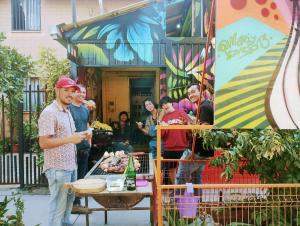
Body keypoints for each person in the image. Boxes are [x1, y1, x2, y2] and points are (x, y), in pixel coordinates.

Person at [38, 77, 89, 226]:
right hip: (58, 168)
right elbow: (43, 142)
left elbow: (69, 137)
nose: (70, 94)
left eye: (72, 91)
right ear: (57, 90)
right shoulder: (49, 112)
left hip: (71, 166)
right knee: (58, 208)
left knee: (67, 207)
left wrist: (83, 135)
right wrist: (70, 139)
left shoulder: (66, 111)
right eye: (66, 90)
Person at [176, 83, 214, 196]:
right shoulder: (201, 107)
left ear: (201, 92)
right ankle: (198, 205)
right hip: (202, 150)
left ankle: (176, 203)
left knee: (181, 176)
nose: (190, 95)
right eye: (188, 93)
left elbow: (204, 130)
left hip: (196, 150)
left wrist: (189, 125)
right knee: (196, 178)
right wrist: (189, 123)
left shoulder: (205, 107)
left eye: (193, 92)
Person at [69, 84, 92, 213]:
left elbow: (87, 125)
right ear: (73, 93)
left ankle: (77, 203)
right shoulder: (69, 109)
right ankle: (73, 204)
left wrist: (89, 143)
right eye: (79, 92)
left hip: (84, 147)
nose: (82, 94)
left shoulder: (85, 110)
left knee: (81, 177)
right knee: (74, 177)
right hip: (72, 148)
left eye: (84, 92)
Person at [159, 96, 190, 184]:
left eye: (166, 103)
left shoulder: (181, 112)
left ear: (171, 102)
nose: (165, 105)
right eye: (162, 105)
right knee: (171, 169)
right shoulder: (164, 118)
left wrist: (186, 125)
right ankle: (175, 188)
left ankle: (186, 191)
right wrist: (163, 127)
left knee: (186, 171)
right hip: (169, 148)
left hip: (182, 147)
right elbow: (161, 135)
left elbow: (190, 128)